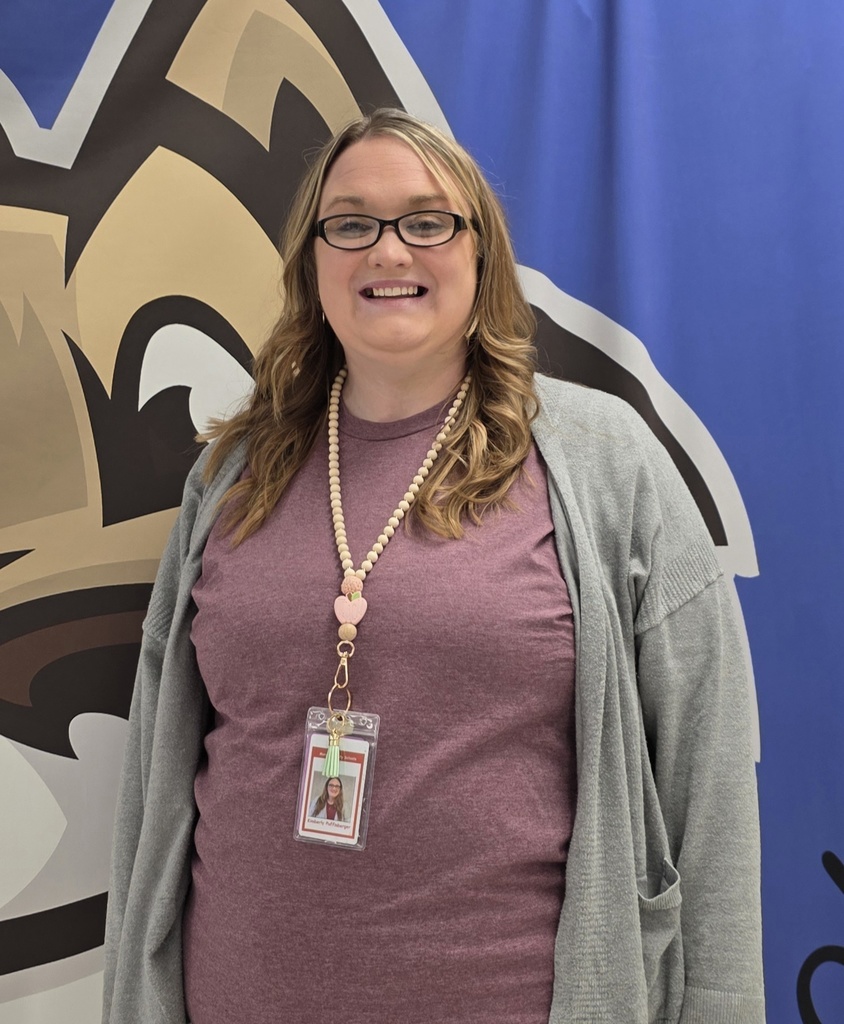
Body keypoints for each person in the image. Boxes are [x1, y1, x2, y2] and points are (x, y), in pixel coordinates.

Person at [102, 108, 764, 1024]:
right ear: (312, 261)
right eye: (352, 223)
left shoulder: (608, 463)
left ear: (480, 254)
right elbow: (155, 778)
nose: (388, 251)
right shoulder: (231, 473)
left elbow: (710, 774)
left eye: (427, 221)